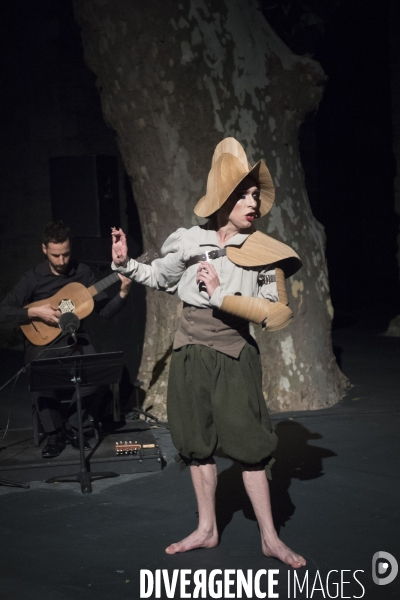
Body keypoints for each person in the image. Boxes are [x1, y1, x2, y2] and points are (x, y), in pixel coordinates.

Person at [111, 138, 306, 568]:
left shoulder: (265, 253)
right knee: (195, 444)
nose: (253, 201)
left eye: (256, 193)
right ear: (223, 198)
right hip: (189, 355)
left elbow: (278, 316)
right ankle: (206, 527)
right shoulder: (188, 240)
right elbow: (159, 278)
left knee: (250, 447)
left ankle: (270, 537)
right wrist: (126, 265)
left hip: (234, 355)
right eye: (244, 193)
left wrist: (221, 296)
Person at [0, 220, 132, 459]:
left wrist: (123, 292)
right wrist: (35, 312)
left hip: (74, 340)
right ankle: (54, 433)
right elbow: (4, 310)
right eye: (56, 256)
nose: (62, 261)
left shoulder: (83, 273)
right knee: (38, 372)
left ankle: (73, 424)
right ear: (44, 250)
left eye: (66, 254)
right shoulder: (33, 278)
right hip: (43, 343)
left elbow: (105, 312)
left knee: (98, 371)